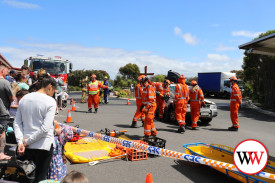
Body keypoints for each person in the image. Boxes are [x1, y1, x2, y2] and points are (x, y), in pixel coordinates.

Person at [14, 75, 57, 182]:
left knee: (24, 177)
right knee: (40, 178)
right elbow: (45, 128)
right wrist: (27, 142)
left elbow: (17, 122)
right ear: (50, 87)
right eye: (54, 90)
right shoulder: (50, 101)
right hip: (43, 145)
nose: (54, 93)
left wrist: (21, 142)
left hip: (25, 146)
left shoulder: (25, 98)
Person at [0, 64, 14, 160]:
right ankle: (1, 153)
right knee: (2, 132)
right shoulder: (5, 82)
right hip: (2, 111)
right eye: (6, 71)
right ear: (2, 71)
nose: (8, 73)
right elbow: (11, 97)